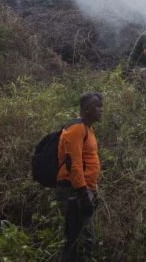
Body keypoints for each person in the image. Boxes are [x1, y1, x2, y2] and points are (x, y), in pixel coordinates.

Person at [56, 92, 103, 262]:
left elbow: (87, 161)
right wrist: (83, 195)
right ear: (87, 108)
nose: (101, 109)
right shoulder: (76, 129)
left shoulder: (88, 129)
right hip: (74, 191)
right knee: (78, 242)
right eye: (97, 106)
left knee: (83, 241)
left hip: (83, 190)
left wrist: (93, 190)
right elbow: (73, 164)